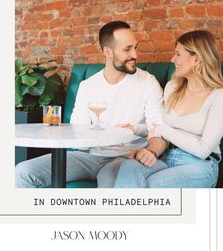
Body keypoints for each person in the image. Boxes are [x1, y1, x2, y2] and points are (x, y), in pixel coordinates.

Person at [15, 21, 167, 188]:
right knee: (23, 172)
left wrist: (147, 145)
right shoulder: (88, 86)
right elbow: (77, 129)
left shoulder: (147, 82)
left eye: (135, 48)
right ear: (107, 52)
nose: (135, 55)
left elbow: (159, 130)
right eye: (127, 49)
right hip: (88, 156)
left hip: (126, 157)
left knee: (109, 179)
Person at [114, 30, 223, 188]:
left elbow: (203, 149)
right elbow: (162, 129)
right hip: (167, 157)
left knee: (150, 186)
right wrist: (137, 129)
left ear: (197, 58)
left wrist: (163, 130)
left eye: (178, 54)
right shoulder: (172, 87)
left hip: (199, 166)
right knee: (128, 168)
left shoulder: (220, 97)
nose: (172, 59)